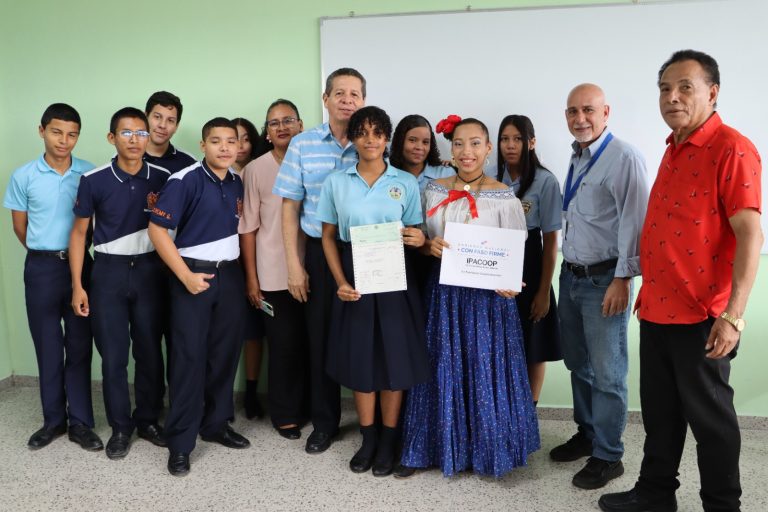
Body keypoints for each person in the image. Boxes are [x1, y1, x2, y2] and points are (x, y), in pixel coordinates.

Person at [599, 50, 763, 512]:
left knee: (711, 422)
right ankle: (655, 494)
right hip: (656, 309)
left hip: (703, 316)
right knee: (661, 415)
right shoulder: (673, 147)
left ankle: (722, 504)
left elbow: (751, 234)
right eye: (665, 89)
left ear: (712, 93)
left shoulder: (732, 147)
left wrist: (733, 317)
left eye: (685, 87)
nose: (672, 97)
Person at [400, 117, 539, 478]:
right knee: (442, 365)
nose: (467, 152)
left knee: (484, 367)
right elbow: (422, 236)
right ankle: (436, 447)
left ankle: (489, 451)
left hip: (488, 300)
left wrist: (510, 281)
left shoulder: (503, 196)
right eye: (459, 144)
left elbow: (515, 248)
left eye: (475, 144)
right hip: (444, 293)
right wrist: (429, 245)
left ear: (488, 148)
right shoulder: (433, 189)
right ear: (450, 148)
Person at [316, 106, 429, 476]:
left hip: (395, 276)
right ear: (352, 137)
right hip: (354, 274)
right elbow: (329, 238)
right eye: (362, 132)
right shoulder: (336, 181)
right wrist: (340, 282)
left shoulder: (405, 183)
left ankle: (389, 439)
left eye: (378, 133)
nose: (370, 140)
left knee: (394, 356)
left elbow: (415, 233)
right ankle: (368, 438)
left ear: (386, 139)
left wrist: (418, 237)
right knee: (361, 356)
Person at [550, 83, 649, 490]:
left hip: (605, 280)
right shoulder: (577, 157)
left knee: (608, 373)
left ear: (606, 112)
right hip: (571, 275)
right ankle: (588, 432)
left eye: (588, 110)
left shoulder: (623, 157)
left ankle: (609, 456)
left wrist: (623, 279)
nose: (580, 119)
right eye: (572, 111)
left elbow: (636, 222)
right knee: (578, 363)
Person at [148, 118, 250, 476]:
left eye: (231, 142)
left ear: (239, 146)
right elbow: (157, 230)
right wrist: (186, 276)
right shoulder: (184, 180)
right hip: (193, 273)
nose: (224, 147)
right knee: (189, 359)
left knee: (224, 353)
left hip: (231, 274)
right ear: (204, 145)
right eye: (216, 141)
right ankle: (180, 443)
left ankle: (216, 423)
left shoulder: (237, 181)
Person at [273, 67, 366, 454]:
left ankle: (373, 424)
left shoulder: (373, 142)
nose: (347, 100)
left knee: (367, 336)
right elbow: (290, 207)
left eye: (355, 94)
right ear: (325, 99)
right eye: (339, 93)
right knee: (321, 339)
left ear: (363, 101)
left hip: (367, 250)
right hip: (318, 251)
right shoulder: (303, 144)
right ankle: (325, 422)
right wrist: (294, 265)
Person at [69, 107, 169, 459]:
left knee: (149, 351)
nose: (134, 139)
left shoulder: (161, 177)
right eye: (126, 133)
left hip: (149, 271)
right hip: (108, 274)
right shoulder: (94, 179)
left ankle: (148, 419)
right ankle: (121, 427)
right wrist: (78, 286)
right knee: (113, 356)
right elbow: (79, 235)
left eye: (141, 133)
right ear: (112, 138)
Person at [3, 103, 102, 451]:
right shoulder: (23, 176)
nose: (64, 140)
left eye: (72, 134)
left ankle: (81, 423)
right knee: (47, 345)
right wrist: (45, 251)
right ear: (41, 130)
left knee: (78, 345)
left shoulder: (89, 174)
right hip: (42, 268)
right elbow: (20, 226)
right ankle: (53, 421)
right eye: (57, 132)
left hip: (81, 269)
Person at [239, 99, 309, 438]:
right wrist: (252, 279)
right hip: (272, 272)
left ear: (301, 125)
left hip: (315, 269)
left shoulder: (314, 161)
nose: (281, 127)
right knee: (282, 347)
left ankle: (309, 406)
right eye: (273, 123)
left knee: (311, 344)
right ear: (267, 133)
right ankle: (285, 414)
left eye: (288, 120)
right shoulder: (256, 170)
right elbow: (249, 229)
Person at [495, 115, 563, 405]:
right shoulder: (490, 178)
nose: (511, 145)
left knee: (533, 342)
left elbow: (550, 243)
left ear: (531, 142)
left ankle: (529, 411)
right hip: (496, 263)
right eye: (505, 139)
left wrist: (543, 291)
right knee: (501, 342)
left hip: (531, 265)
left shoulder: (545, 181)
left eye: (518, 139)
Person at [232, 116, 266, 420]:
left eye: (245, 138)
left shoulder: (259, 172)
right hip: (227, 262)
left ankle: (253, 392)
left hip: (256, 261)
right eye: (234, 138)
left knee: (255, 331)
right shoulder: (218, 174)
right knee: (229, 331)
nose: (239, 145)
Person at [143, 91, 197, 173]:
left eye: (170, 120)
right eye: (157, 117)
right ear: (145, 118)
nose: (162, 125)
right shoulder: (124, 158)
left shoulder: (189, 164)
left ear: (176, 126)